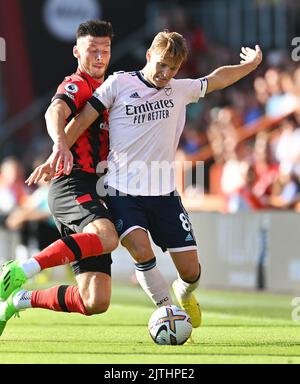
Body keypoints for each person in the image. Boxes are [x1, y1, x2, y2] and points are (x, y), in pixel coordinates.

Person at [25, 31, 263, 331]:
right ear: (149, 56)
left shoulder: (180, 89)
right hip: (121, 191)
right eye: (161, 64)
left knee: (191, 272)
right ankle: (166, 311)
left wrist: (250, 66)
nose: (165, 73)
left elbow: (217, 79)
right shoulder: (119, 84)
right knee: (141, 250)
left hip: (164, 194)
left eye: (172, 68)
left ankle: (184, 293)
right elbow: (82, 119)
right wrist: (55, 153)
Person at [0, 20, 119, 336]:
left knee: (95, 300)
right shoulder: (77, 84)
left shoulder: (113, 88)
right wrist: (60, 143)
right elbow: (55, 111)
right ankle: (22, 269)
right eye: (92, 50)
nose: (98, 56)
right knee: (109, 237)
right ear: (77, 51)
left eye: (104, 50)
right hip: (72, 184)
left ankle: (17, 301)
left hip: (97, 190)